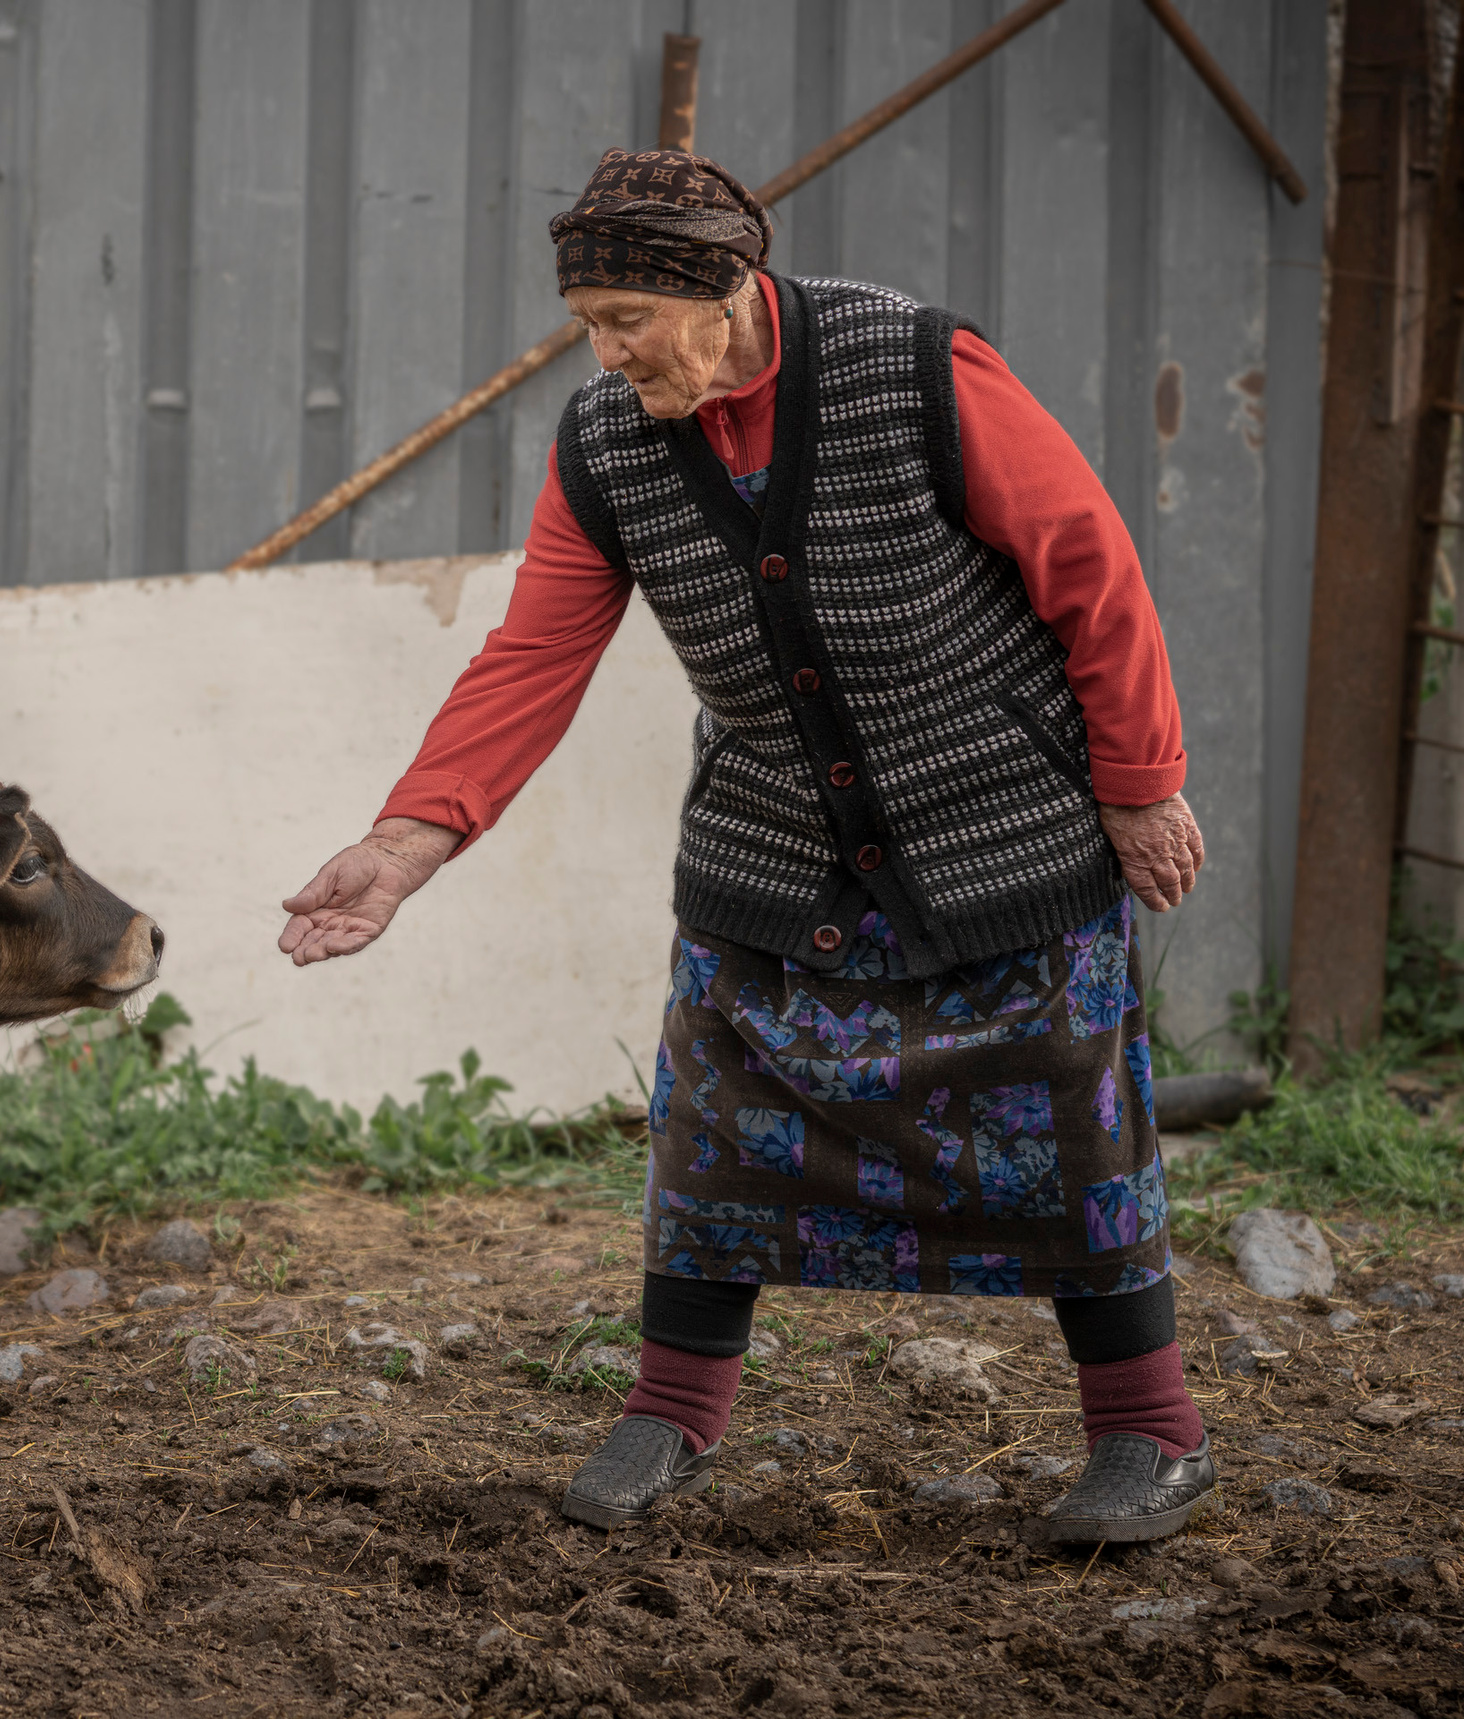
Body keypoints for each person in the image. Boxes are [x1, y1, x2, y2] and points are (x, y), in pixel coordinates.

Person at [278, 149, 1212, 1544]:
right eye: (588, 320)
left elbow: (1088, 560)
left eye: (624, 321)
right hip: (771, 845)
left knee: (1069, 1126)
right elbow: (534, 652)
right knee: (712, 1134)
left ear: (724, 288)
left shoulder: (917, 368)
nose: (603, 352)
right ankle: (670, 1411)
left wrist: (1139, 778)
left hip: (996, 823)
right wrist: (407, 845)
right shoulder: (608, 444)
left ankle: (1151, 1436)